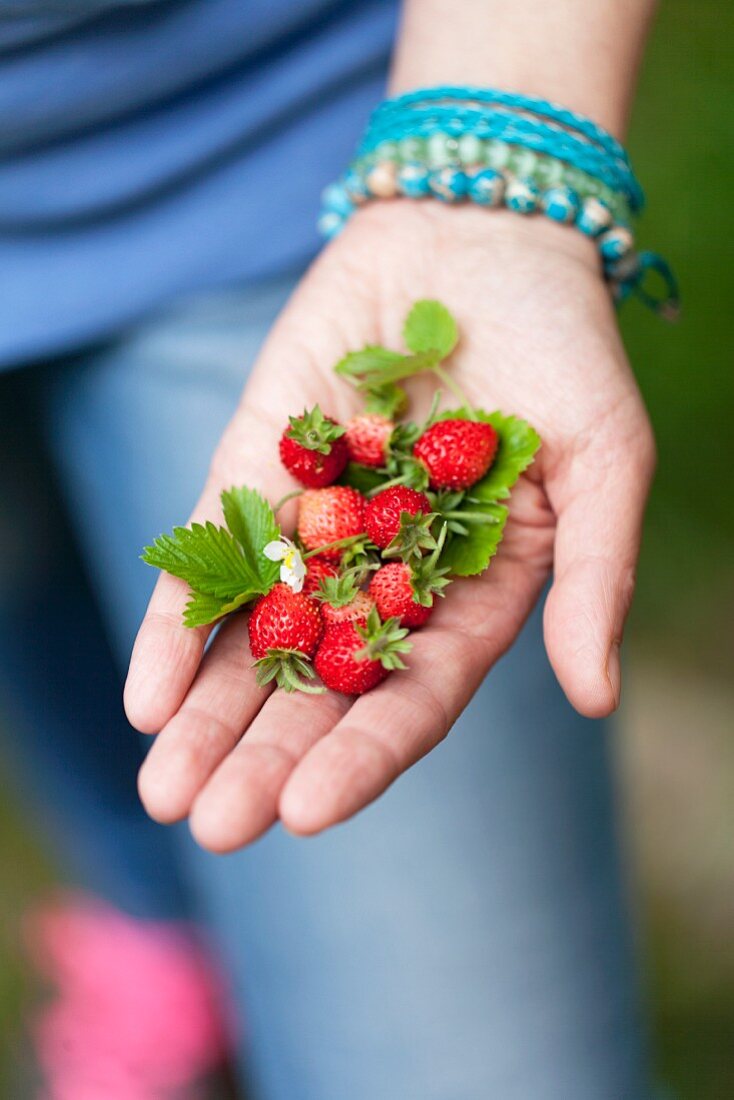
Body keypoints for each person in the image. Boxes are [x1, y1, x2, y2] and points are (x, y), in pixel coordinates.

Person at [0, 1, 659, 1097]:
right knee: (36, 604)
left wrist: (491, 173)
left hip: (278, 139)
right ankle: (153, 917)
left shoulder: (364, 497)